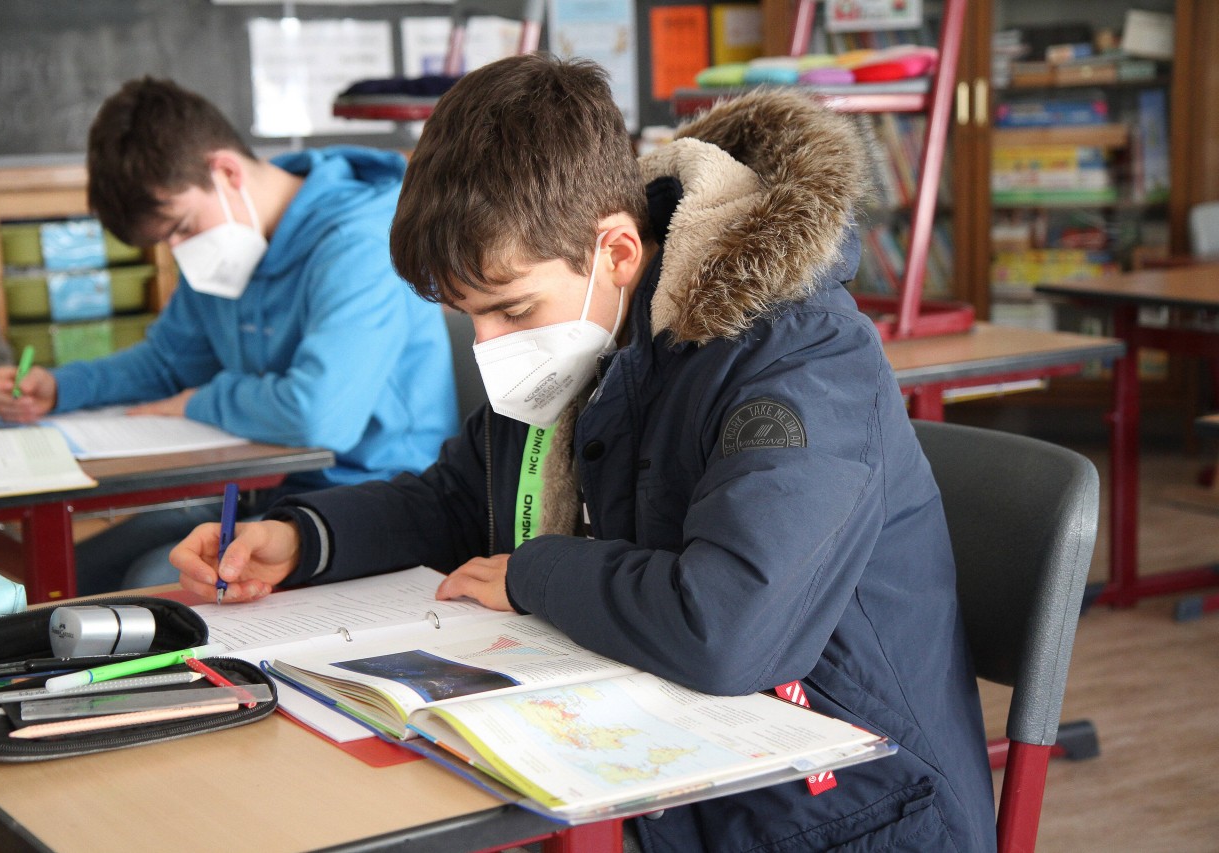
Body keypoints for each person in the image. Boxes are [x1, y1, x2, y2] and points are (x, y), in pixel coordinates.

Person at [172, 55, 997, 852]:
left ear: (617, 252)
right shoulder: (585, 332)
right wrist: (305, 536)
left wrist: (535, 574)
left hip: (847, 812)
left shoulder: (798, 356)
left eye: (510, 308)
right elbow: (456, 501)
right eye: (470, 318)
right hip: (665, 763)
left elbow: (732, 628)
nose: (488, 345)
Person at [0, 77, 458, 594]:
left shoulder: (360, 241)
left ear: (226, 171)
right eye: (167, 240)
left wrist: (197, 403)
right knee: (84, 571)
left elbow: (318, 416)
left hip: (372, 498)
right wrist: (62, 387)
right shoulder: (230, 245)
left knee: (154, 582)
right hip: (268, 490)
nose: (181, 250)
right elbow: (168, 363)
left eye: (182, 227)